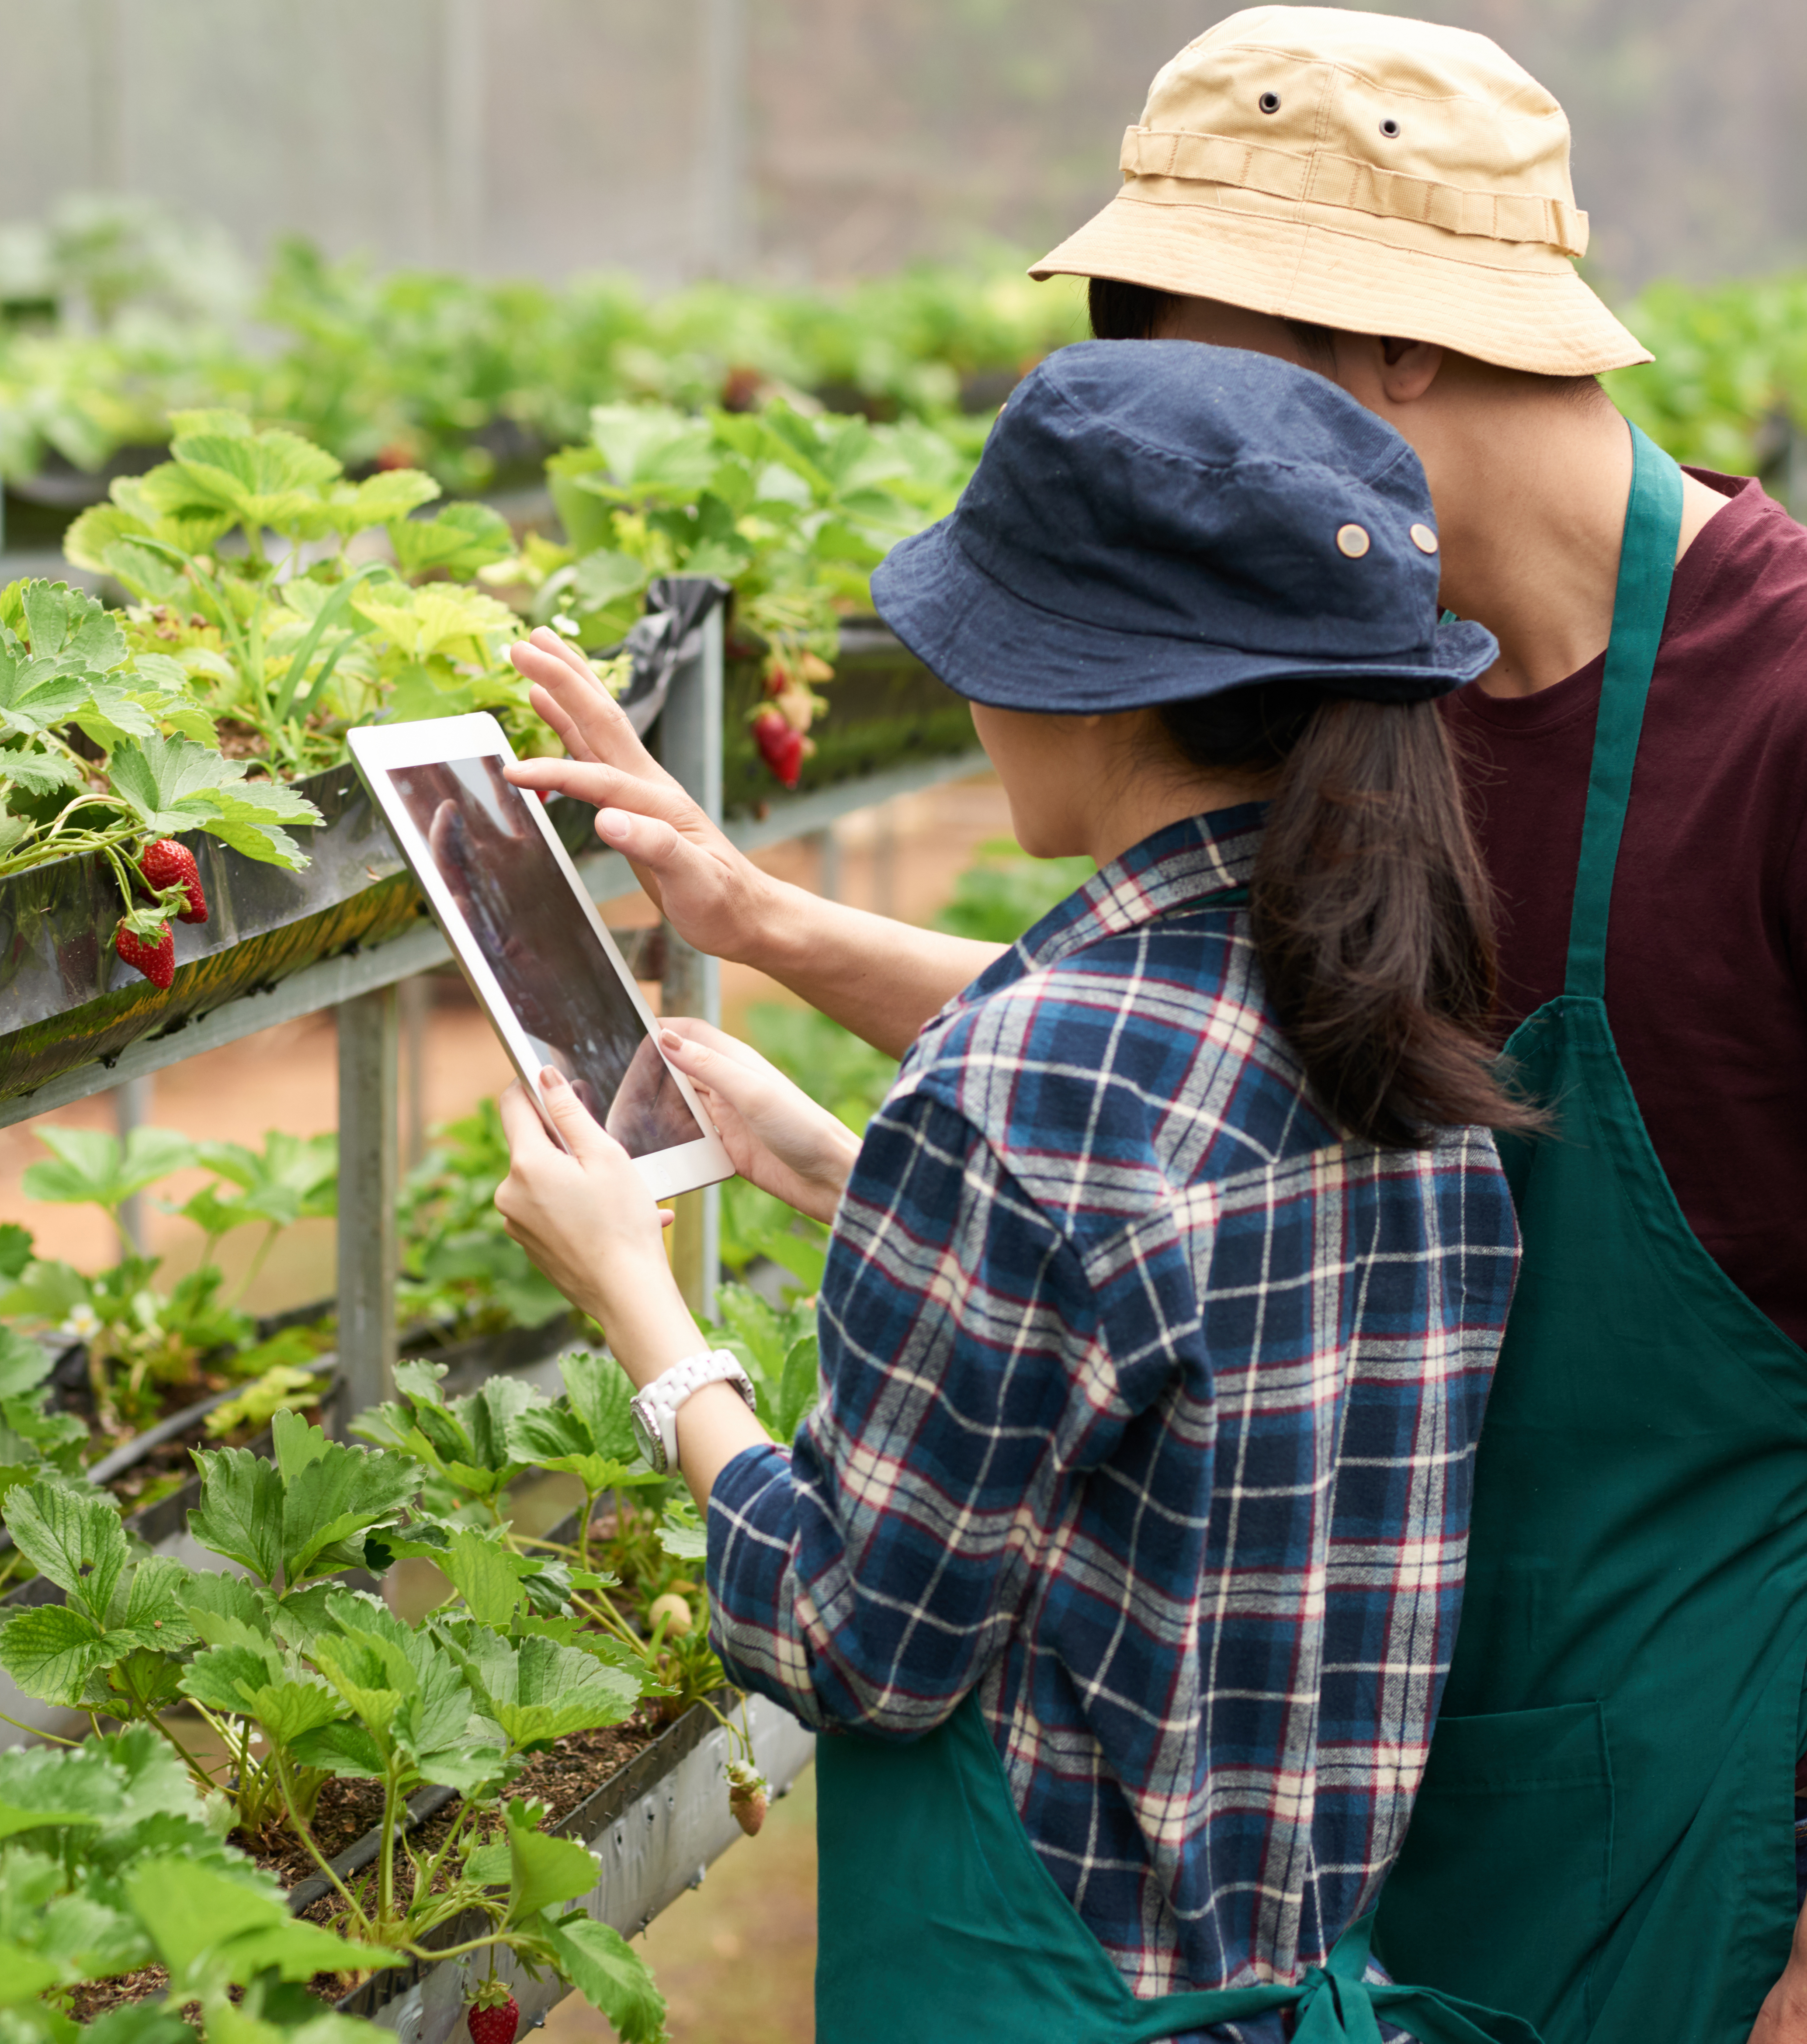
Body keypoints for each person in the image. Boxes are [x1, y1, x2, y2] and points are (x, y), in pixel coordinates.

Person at [508, 6, 1807, 2044]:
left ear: (1397, 342)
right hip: (1353, 1787)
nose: (1155, 416)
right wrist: (765, 923)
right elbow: (1224, 1093)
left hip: (1715, 1808)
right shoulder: (1359, 684)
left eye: (1174, 343)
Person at [493, 340, 1544, 2043]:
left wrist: (645, 1312)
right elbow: (1156, 1352)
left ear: (1102, 685)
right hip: (1297, 1984)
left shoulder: (1027, 1079)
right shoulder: (1396, 1031)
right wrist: (837, 1156)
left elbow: (852, 1640)